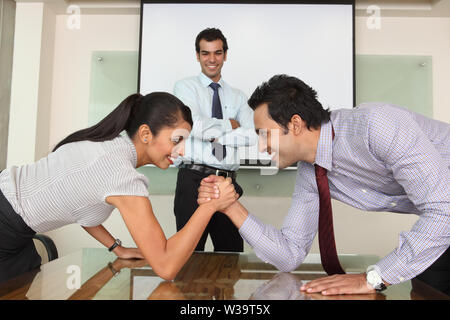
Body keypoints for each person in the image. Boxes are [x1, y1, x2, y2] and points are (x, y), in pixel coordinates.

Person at [198, 74, 450, 296]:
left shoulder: (376, 125)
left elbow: (443, 210)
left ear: (295, 124)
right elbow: (289, 254)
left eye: (264, 134)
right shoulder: (311, 172)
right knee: (427, 289)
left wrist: (372, 278)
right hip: (443, 227)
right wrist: (231, 207)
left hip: (444, 216)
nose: (262, 146)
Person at [0, 92, 238, 284]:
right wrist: (210, 206)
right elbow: (166, 266)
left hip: (15, 230)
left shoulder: (108, 144)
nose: (183, 151)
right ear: (145, 133)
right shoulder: (121, 175)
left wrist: (116, 247)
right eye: (176, 140)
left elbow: (81, 206)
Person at [172, 28, 257, 252]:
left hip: (226, 183)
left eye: (217, 53)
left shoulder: (238, 96)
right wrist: (230, 124)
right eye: (205, 53)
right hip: (193, 180)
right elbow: (192, 126)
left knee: (231, 255)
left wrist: (210, 129)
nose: (212, 59)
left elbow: (251, 134)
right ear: (198, 56)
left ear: (225, 55)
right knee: (189, 253)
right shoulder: (184, 88)